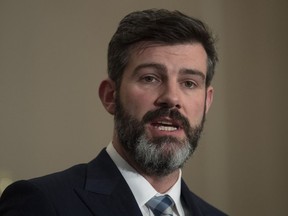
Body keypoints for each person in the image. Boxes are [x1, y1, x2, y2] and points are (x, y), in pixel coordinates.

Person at [0, 9, 227, 216]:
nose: (172, 98)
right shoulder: (40, 203)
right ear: (110, 96)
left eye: (189, 83)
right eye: (150, 78)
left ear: (207, 102)